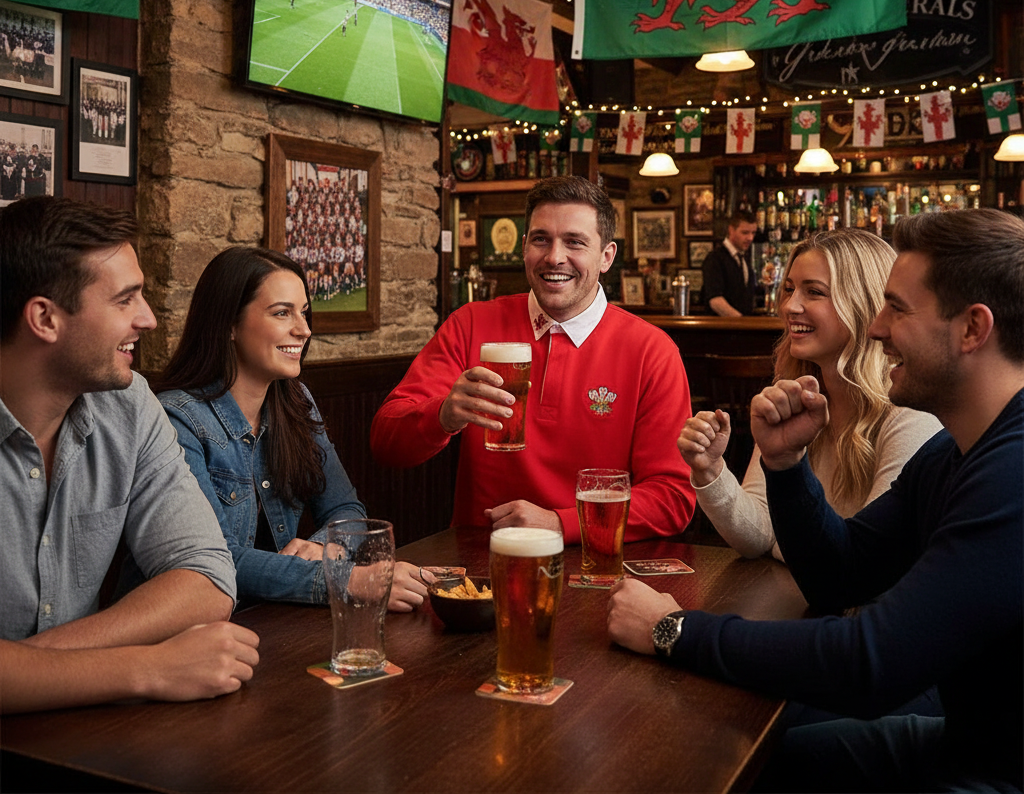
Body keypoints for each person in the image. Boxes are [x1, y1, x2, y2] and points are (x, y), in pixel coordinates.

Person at [607, 209, 1023, 793]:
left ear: (973, 329)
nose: (876, 328)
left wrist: (673, 629)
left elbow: (870, 661)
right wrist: (785, 466)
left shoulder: (1012, 472)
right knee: (729, 758)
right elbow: (840, 574)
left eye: (897, 309)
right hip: (965, 747)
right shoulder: (954, 453)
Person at [0, 197, 259, 714]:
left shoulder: (128, 403)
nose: (150, 319)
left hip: (73, 734)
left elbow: (206, 575)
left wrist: (27, 670)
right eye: (125, 300)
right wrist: (147, 668)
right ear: (45, 318)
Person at [371, 176, 695, 543]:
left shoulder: (652, 351)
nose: (554, 257)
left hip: (595, 560)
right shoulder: (470, 324)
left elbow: (672, 498)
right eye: (541, 239)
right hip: (480, 558)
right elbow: (386, 443)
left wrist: (559, 524)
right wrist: (442, 416)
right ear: (524, 246)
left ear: (606, 257)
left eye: (574, 242)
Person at [157, 246, 433, 612]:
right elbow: (217, 561)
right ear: (229, 325)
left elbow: (347, 510)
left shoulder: (295, 400)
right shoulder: (177, 419)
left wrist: (323, 547)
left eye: (303, 312)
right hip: (188, 628)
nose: (304, 330)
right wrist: (346, 579)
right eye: (282, 313)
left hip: (272, 617)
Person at [681, 229, 942, 559]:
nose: (790, 306)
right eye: (789, 289)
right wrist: (710, 470)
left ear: (863, 304)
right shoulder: (792, 397)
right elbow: (759, 535)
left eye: (814, 292)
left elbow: (867, 564)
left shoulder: (910, 415)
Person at [701, 210, 757, 316]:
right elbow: (715, 301)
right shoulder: (715, 258)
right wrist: (742, 322)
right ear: (731, 230)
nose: (750, 238)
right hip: (722, 325)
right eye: (745, 233)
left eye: (753, 233)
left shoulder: (744, 259)